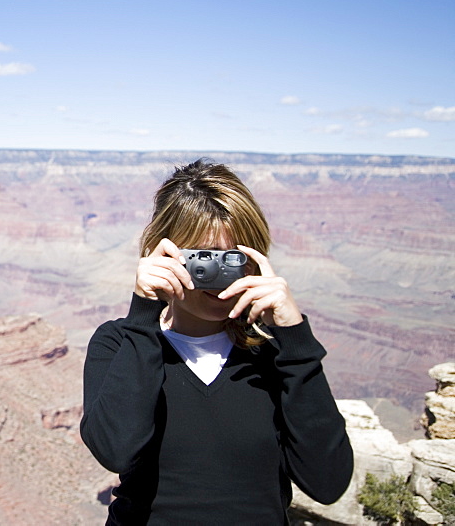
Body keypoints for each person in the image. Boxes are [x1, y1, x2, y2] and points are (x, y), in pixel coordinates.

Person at [80, 159, 352, 525]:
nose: (218, 275)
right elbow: (115, 450)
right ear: (163, 254)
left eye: (234, 258)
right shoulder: (120, 343)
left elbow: (328, 483)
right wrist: (144, 312)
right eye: (202, 259)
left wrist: (295, 337)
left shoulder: (275, 356)